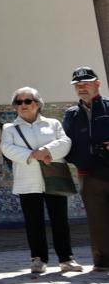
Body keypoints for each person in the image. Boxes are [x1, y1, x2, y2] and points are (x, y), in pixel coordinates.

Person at [3, 86, 80, 275]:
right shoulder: (10, 128)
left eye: (27, 101)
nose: (23, 105)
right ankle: (38, 259)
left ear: (37, 104)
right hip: (28, 182)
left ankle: (66, 258)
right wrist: (32, 155)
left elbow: (65, 142)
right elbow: (7, 148)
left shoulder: (52, 124)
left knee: (60, 219)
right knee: (33, 221)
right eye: (18, 102)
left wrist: (47, 151)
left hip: (54, 179)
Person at [63, 67, 109, 272]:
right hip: (88, 175)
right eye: (77, 85)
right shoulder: (71, 114)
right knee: (97, 219)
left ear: (97, 84)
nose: (81, 88)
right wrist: (79, 160)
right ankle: (102, 260)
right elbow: (65, 143)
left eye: (86, 83)